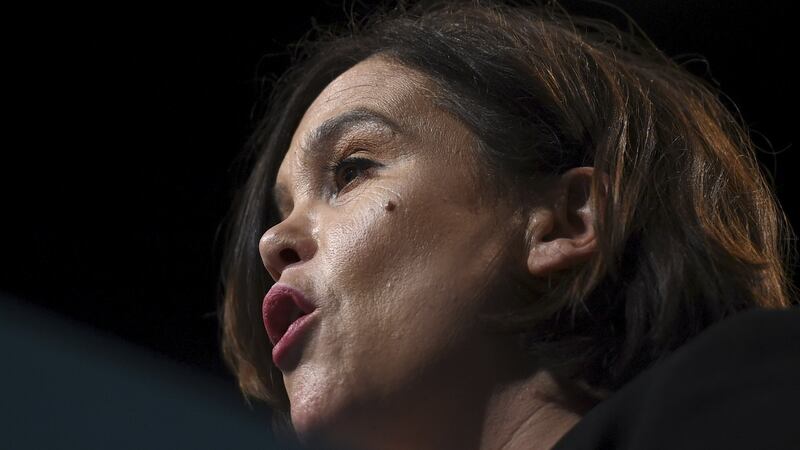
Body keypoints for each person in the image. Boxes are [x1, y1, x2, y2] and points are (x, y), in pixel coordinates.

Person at [217, 1, 800, 449]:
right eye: (283, 209)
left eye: (351, 170)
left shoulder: (750, 391)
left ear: (567, 222)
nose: (272, 243)